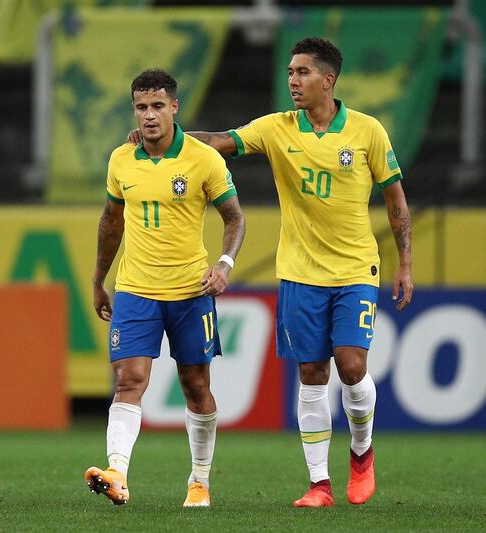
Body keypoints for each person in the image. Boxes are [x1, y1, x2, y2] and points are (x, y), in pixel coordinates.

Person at [131, 37, 413, 507]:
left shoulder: (368, 132)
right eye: (289, 72)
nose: (292, 81)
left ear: (329, 80)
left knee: (352, 364)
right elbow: (218, 141)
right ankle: (319, 484)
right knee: (311, 372)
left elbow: (396, 200)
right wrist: (160, 134)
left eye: (302, 73)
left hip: (355, 269)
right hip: (300, 271)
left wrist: (405, 263)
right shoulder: (277, 128)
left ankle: (361, 453)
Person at [85, 69, 246, 508]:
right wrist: (99, 279)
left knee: (196, 386)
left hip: (192, 290)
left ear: (175, 107)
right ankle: (117, 471)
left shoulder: (203, 159)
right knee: (128, 380)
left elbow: (234, 218)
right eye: (141, 107)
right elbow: (110, 222)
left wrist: (224, 264)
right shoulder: (121, 159)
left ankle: (199, 481)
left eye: (158, 106)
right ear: (133, 110)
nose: (149, 115)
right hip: (136, 289)